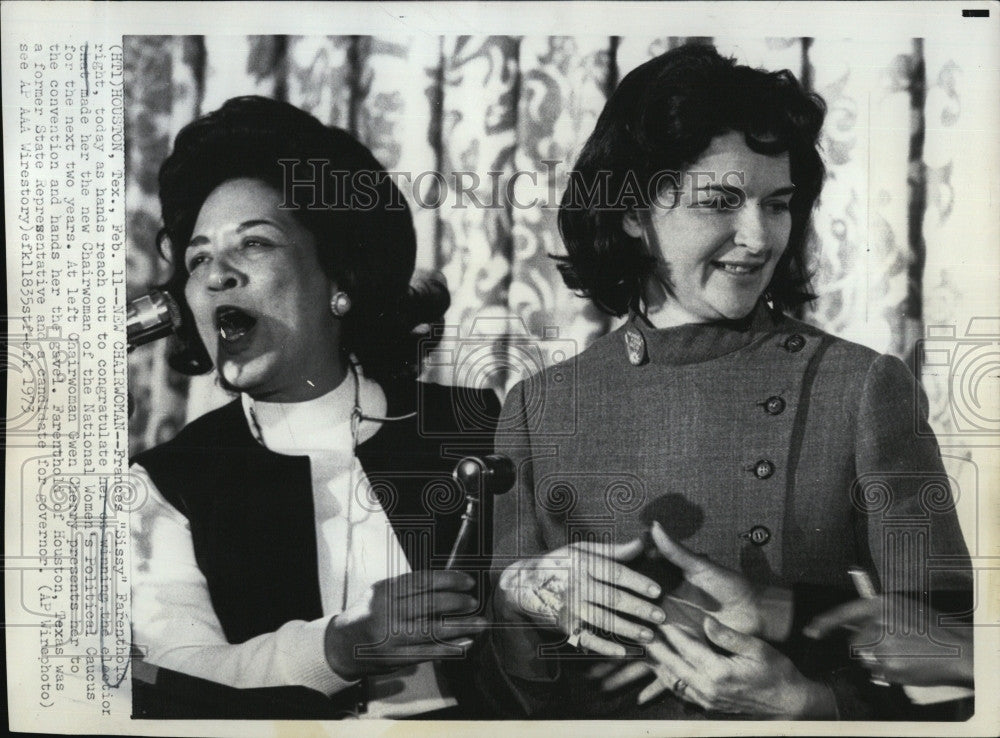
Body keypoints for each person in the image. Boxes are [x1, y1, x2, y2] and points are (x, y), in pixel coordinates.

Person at [474, 44, 972, 720]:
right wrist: (522, 596)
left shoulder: (859, 386)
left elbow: (962, 664)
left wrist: (813, 705)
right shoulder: (539, 405)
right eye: (722, 202)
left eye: (778, 204)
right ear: (630, 213)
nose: (760, 236)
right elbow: (504, 694)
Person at [129, 96, 500, 719]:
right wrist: (342, 646)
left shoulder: (479, 426)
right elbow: (182, 672)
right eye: (197, 259)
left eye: (253, 243)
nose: (216, 274)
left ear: (339, 281)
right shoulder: (165, 483)